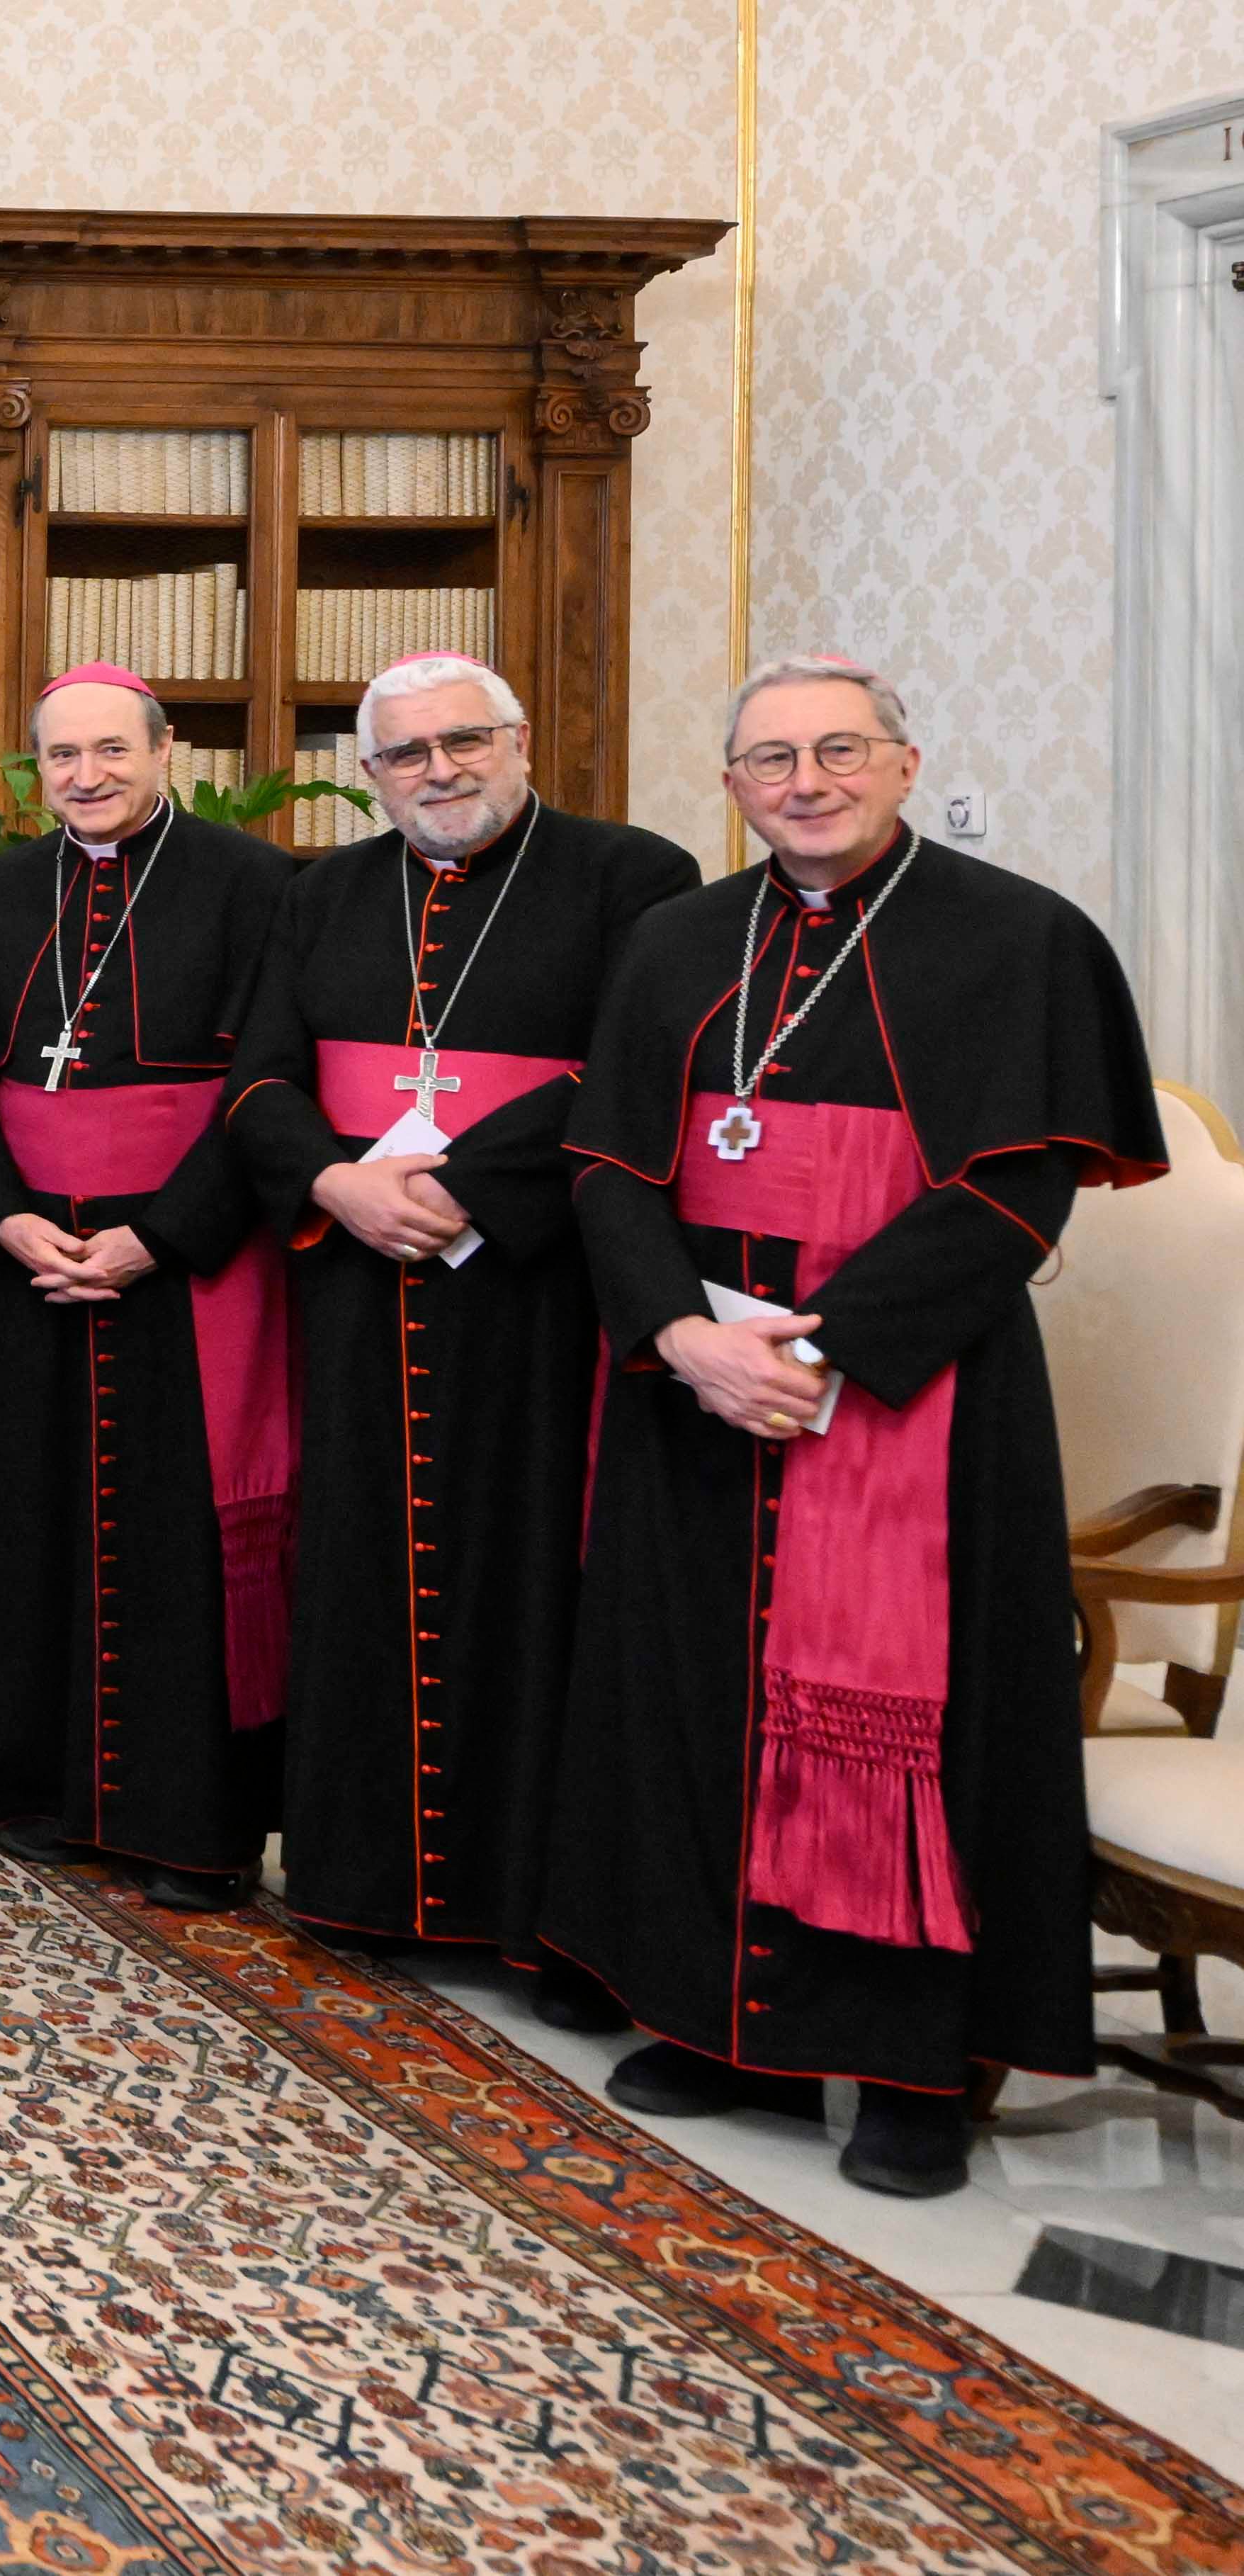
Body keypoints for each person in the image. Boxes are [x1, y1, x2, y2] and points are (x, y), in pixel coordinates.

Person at [548, 657, 1160, 2198]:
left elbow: (1014, 1187)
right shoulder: (676, 941)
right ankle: (709, 2019)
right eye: (768, 758)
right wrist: (685, 1336)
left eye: (836, 750)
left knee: (915, 1726)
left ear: (901, 760)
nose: (803, 779)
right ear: (733, 782)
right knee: (692, 1695)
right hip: (697, 1387)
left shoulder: (1019, 936)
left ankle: (909, 2063)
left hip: (913, 1394)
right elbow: (610, 1169)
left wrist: (821, 1353)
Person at [222, 655, 693, 2019]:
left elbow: (630, 1076)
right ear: (369, 774)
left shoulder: (633, 879)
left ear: (521, 738)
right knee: (360, 1567)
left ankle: (534, 1907)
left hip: (536, 1298)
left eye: (464, 741)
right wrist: (336, 1182)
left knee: (535, 1575)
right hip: (357, 1283)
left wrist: (461, 1195)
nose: (439, 769)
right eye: (406, 752)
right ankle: (363, 1882)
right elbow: (259, 1074)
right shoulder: (319, 893)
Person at [0, 670, 300, 1909]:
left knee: (183, 1532)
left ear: (166, 749)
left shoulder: (254, 884)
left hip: (189, 1266)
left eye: (110, 751)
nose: (85, 775)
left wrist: (159, 1236)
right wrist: (5, 1221)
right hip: (31, 1264)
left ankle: (193, 1826)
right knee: (33, 1519)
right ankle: (38, 1789)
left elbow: (270, 1088)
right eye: (61, 756)